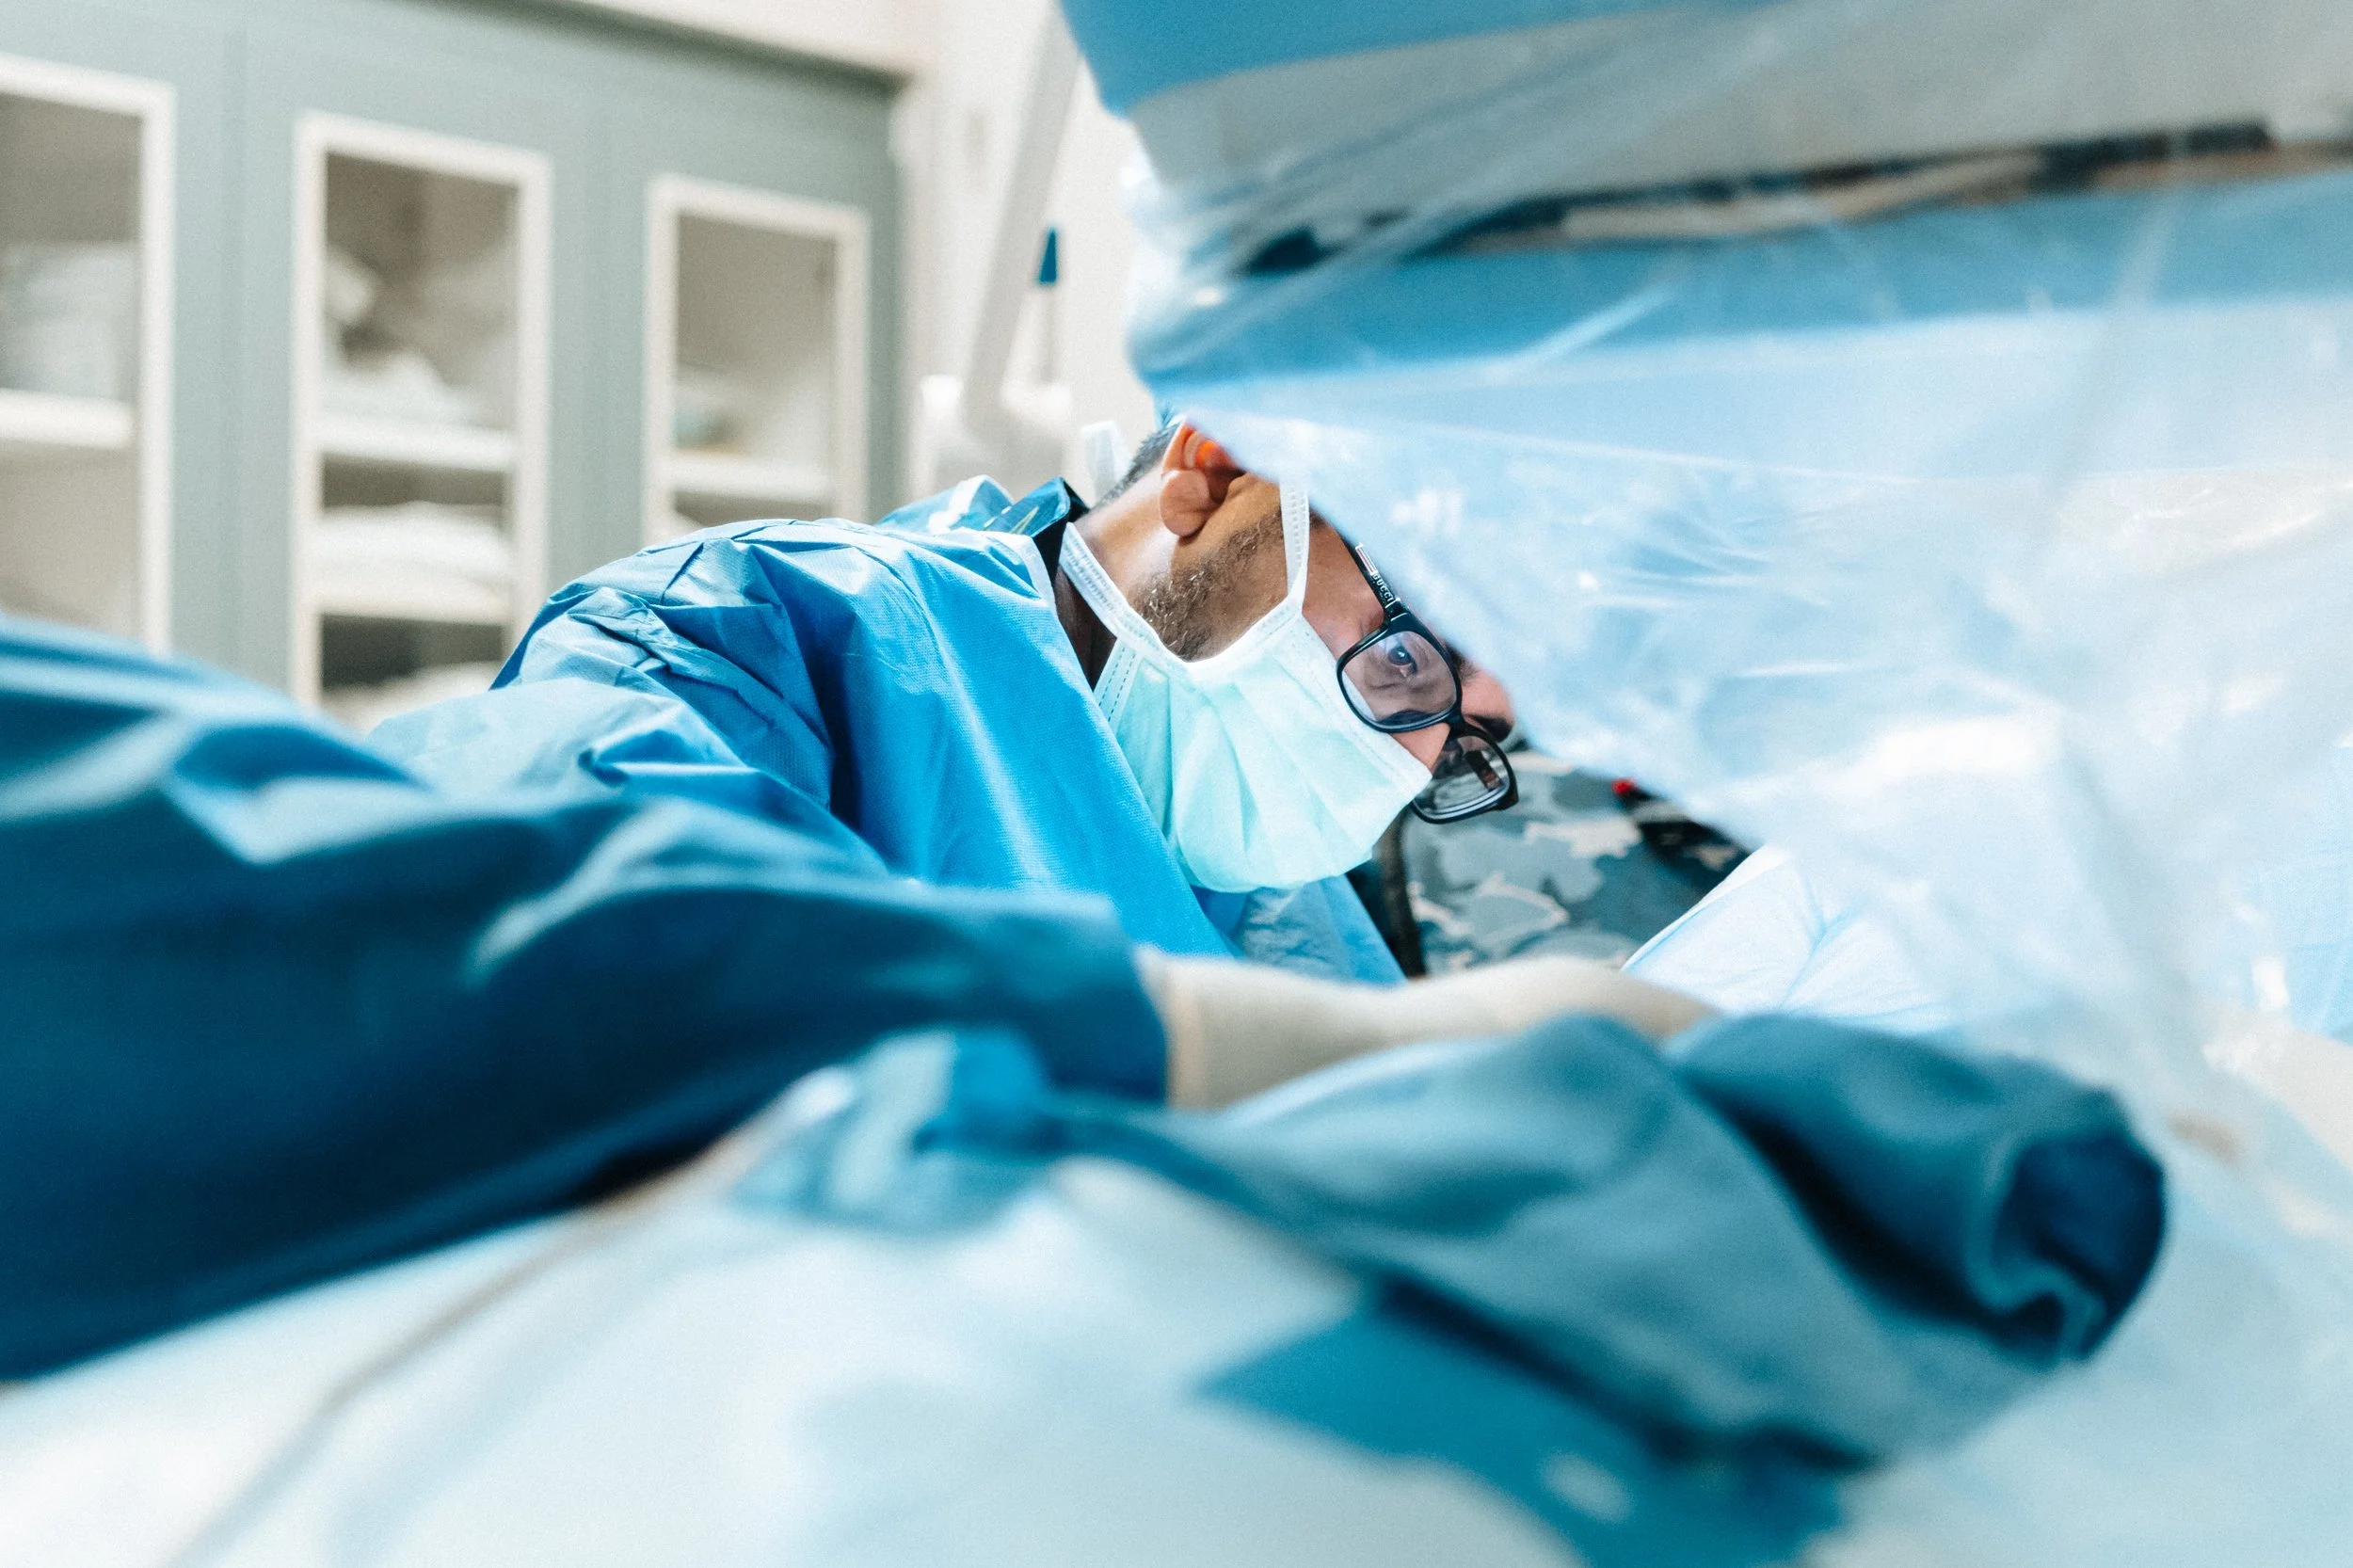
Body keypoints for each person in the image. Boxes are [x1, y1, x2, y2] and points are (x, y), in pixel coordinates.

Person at [380, 421, 1520, 981]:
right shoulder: (741, 643)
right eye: (1410, 657)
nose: (1410, 761)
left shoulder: (1288, 898)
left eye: (1469, 742)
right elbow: (512, 976)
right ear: (1217, 475)